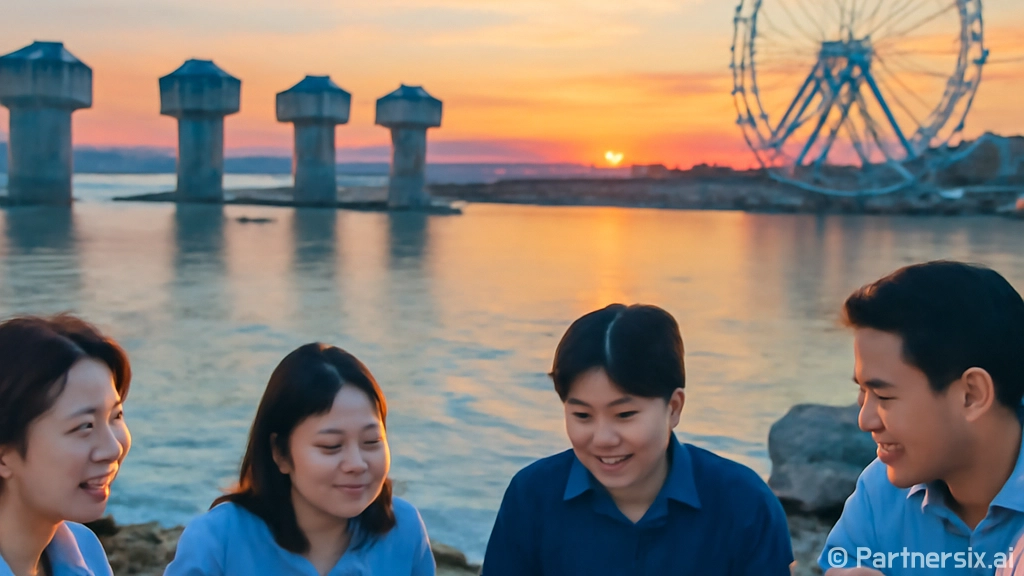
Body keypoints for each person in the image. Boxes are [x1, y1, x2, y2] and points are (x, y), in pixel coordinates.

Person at [482, 304, 794, 575]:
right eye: (582, 415)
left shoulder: (744, 504)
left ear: (674, 408)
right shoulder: (532, 496)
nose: (603, 439)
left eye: (625, 414)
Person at [820, 261, 1024, 575]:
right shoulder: (881, 493)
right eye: (863, 393)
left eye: (884, 396)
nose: (865, 421)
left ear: (971, 395)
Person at [165, 343, 434, 576]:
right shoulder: (217, 541)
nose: (357, 464)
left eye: (371, 442)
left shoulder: (404, 530)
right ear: (280, 453)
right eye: (331, 446)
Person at [0, 315, 133, 576]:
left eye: (116, 416)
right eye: (85, 426)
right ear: (4, 457)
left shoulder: (84, 551)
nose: (113, 449)